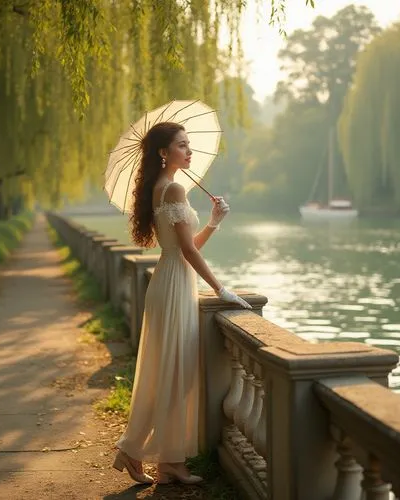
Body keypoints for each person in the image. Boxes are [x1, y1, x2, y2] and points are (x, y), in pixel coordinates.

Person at [112, 121, 252, 485]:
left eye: (189, 145)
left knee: (172, 372)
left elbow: (185, 248)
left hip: (171, 280)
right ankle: (151, 455)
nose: (189, 151)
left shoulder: (164, 188)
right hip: (174, 284)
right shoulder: (173, 188)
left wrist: (214, 222)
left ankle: (160, 459)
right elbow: (187, 252)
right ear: (164, 152)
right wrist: (222, 289)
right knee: (176, 373)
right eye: (182, 145)